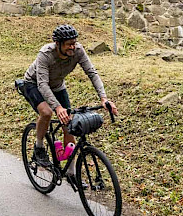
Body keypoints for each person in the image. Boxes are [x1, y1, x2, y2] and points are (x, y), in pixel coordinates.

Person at [19, 24, 117, 166]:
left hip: (57, 86)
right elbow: (43, 85)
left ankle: (71, 172)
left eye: (74, 43)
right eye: (69, 44)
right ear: (57, 44)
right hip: (33, 84)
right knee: (46, 113)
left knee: (69, 125)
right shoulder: (45, 55)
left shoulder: (78, 51)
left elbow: (92, 73)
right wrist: (58, 108)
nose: (73, 47)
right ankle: (39, 148)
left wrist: (104, 98)